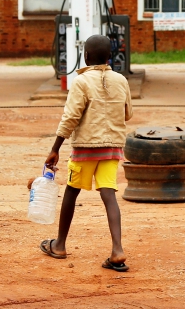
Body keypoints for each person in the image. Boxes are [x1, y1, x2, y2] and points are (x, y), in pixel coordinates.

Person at [40, 34, 133, 272]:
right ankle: (117, 250)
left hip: (85, 150)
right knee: (109, 194)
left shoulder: (81, 82)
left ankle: (59, 245)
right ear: (110, 56)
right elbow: (128, 114)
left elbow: (71, 117)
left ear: (86, 56)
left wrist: (55, 148)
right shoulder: (121, 80)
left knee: (72, 191)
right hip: (112, 148)